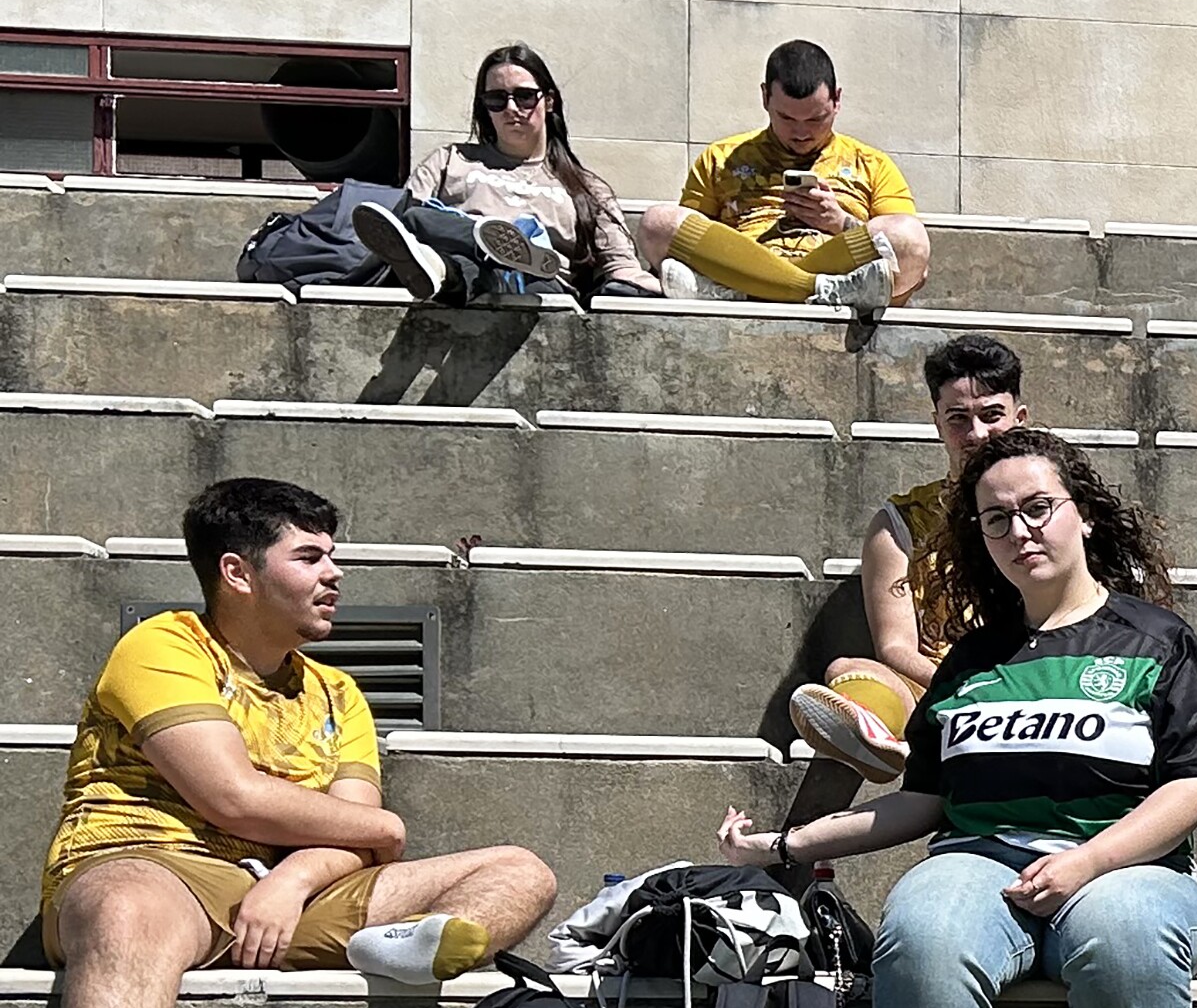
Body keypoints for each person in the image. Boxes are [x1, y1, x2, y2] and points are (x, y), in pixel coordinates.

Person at [45, 479, 557, 1008]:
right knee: (124, 909)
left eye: (332, 556)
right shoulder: (163, 646)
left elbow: (359, 833)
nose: (334, 574)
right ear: (237, 573)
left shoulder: (336, 691)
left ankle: (400, 952)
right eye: (309, 556)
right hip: (150, 863)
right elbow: (231, 797)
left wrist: (291, 882)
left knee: (519, 871)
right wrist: (369, 833)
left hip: (289, 891)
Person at [718, 428, 1197, 1008]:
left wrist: (1088, 863)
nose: (1020, 531)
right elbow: (922, 800)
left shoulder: (1156, 640)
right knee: (924, 934)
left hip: (1129, 869)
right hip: (979, 863)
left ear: (1084, 514)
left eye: (1038, 508)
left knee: (1127, 936)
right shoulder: (970, 660)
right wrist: (786, 843)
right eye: (997, 519)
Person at [790, 334, 1026, 781]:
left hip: (1040, 683)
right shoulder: (900, 522)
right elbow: (896, 646)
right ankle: (879, 745)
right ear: (937, 424)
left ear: (1020, 418)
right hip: (940, 684)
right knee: (848, 673)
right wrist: (969, 686)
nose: (976, 434)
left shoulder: (1055, 513)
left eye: (991, 416)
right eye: (958, 419)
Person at [352, 43, 661, 305]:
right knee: (417, 217)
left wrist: (658, 284)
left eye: (524, 96)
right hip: (463, 268)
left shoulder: (586, 186)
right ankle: (472, 249)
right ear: (484, 107)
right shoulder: (450, 160)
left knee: (483, 269)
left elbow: (620, 265)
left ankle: (480, 260)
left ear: (549, 101)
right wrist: (473, 235)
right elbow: (401, 226)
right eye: (496, 100)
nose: (511, 108)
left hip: (541, 285)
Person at [636, 39, 928, 312]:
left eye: (816, 118)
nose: (801, 132)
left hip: (829, 264)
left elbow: (913, 261)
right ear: (765, 97)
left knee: (908, 236)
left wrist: (841, 223)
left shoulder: (872, 163)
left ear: (837, 100)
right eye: (787, 118)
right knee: (657, 223)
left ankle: (753, 291)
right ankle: (818, 289)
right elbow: (689, 239)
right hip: (747, 262)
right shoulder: (721, 158)